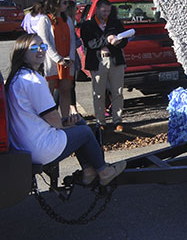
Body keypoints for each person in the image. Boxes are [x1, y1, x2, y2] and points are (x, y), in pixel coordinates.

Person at [4, 33, 125, 185]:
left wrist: (67, 122)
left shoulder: (16, 78)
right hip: (40, 148)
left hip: (23, 144)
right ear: (22, 53)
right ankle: (104, 172)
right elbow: (54, 120)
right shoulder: (34, 80)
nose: (40, 50)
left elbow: (38, 116)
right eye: (34, 47)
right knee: (85, 132)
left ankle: (88, 171)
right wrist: (65, 124)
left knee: (79, 123)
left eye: (43, 46)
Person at [80, 0, 128, 133]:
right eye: (103, 11)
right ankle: (100, 122)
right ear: (97, 10)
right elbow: (90, 44)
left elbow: (124, 42)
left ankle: (117, 120)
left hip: (115, 60)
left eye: (108, 11)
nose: (106, 13)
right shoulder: (88, 25)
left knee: (117, 92)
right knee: (99, 93)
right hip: (98, 61)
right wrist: (106, 40)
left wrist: (119, 42)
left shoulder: (115, 23)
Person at [34, 0, 77, 118]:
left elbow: (72, 39)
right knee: (49, 94)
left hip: (67, 61)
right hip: (52, 62)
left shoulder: (67, 19)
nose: (66, 5)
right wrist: (58, 59)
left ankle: (65, 118)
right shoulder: (45, 20)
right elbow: (44, 41)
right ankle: (49, 121)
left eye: (67, 2)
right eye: (64, 2)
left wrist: (71, 58)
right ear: (55, 4)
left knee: (65, 92)